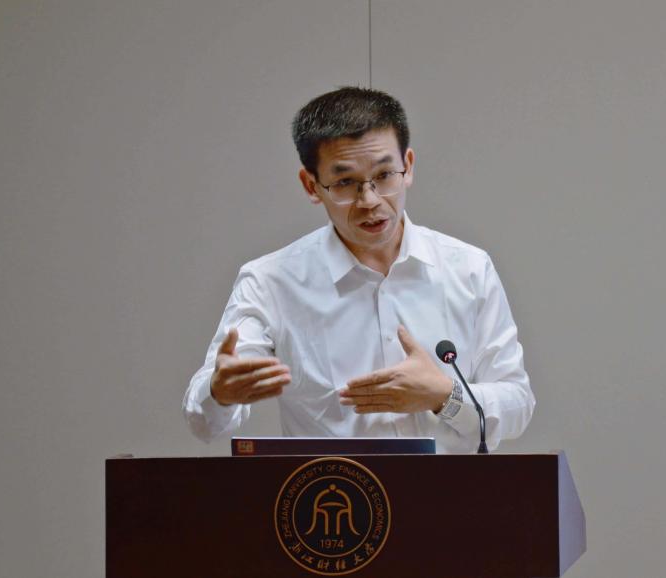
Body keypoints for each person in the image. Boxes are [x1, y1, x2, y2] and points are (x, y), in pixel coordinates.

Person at [183, 87, 535, 453]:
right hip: (335, 490)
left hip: (451, 490)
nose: (370, 201)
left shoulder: (469, 269)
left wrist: (445, 395)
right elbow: (203, 422)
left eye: (384, 175)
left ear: (408, 166)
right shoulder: (271, 283)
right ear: (311, 186)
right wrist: (219, 393)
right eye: (345, 183)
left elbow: (518, 403)